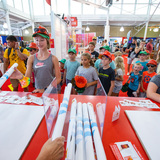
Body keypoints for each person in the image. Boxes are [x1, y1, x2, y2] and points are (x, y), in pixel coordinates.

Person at [10, 26, 61, 93]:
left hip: (51, 91)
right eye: (37, 40)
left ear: (47, 40)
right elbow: (25, 83)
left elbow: (58, 78)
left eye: (42, 40)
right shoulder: (31, 58)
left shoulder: (53, 58)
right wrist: (21, 77)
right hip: (38, 91)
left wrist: (45, 89)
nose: (39, 43)